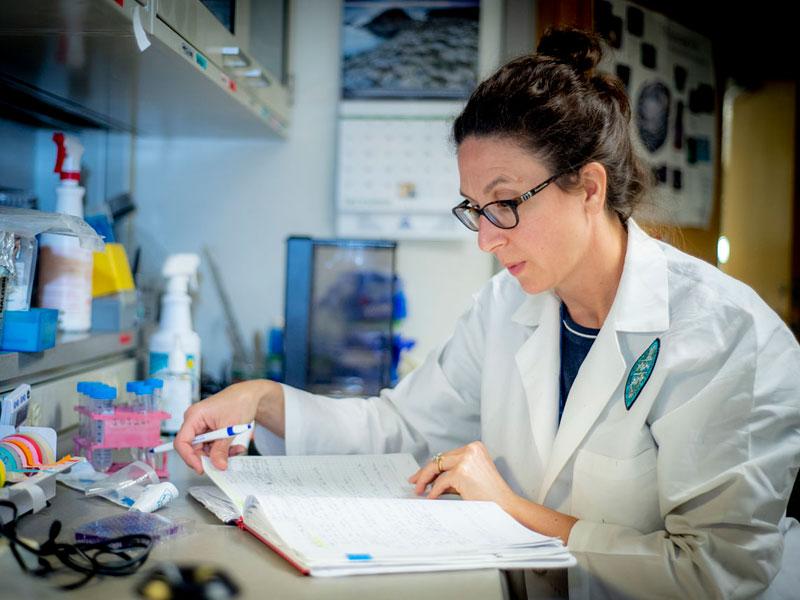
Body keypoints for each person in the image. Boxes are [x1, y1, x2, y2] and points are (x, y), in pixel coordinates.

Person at [175, 28, 800, 599]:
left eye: (504, 203)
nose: (486, 239)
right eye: (474, 208)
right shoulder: (507, 306)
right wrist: (262, 399)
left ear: (588, 187)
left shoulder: (729, 336)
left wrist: (508, 508)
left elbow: (712, 572)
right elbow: (403, 429)